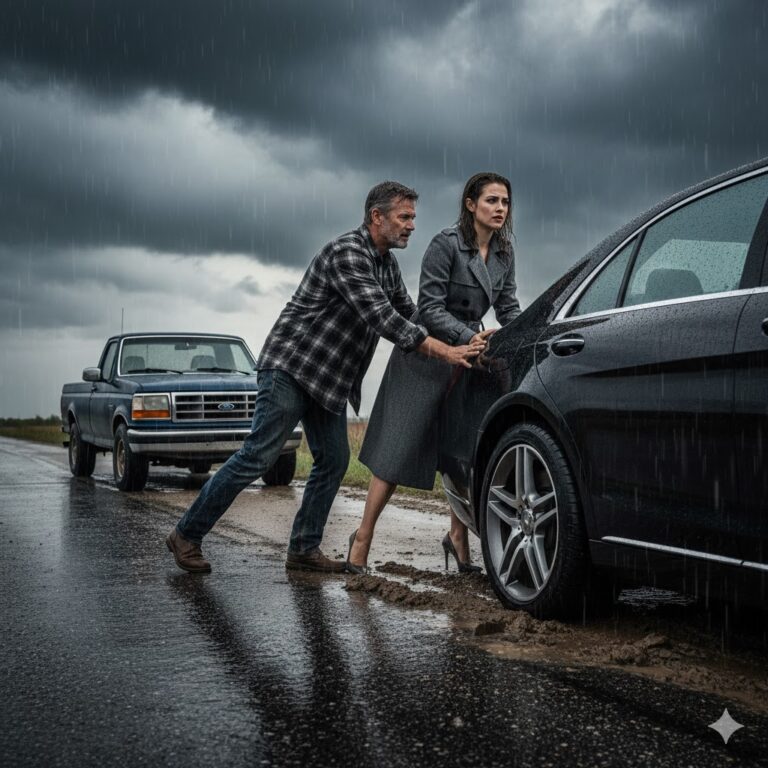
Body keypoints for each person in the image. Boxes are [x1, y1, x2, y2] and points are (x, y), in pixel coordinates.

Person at [166, 181, 486, 574]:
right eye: (404, 217)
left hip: (328, 381)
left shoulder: (387, 264)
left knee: (334, 460)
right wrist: (449, 353)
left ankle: (303, 548)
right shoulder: (347, 254)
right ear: (376, 217)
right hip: (291, 367)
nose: (412, 226)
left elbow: (411, 313)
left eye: (413, 218)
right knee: (258, 456)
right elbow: (386, 320)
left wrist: (464, 333)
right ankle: (186, 534)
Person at [347, 172, 521, 574]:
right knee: (396, 449)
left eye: (505, 202)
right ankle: (362, 538)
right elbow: (428, 307)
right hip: (425, 356)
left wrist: (521, 335)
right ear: (471, 205)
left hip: (470, 358)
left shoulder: (505, 252)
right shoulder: (446, 244)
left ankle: (458, 537)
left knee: (459, 451)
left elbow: (508, 307)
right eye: (491, 201)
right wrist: (466, 337)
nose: (499, 209)